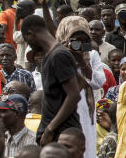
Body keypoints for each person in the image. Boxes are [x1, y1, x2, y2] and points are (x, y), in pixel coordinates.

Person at [21, 14, 82, 145]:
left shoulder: (58, 55)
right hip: (54, 133)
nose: (29, 45)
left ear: (30, 34)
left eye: (27, 40)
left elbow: (74, 95)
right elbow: (80, 82)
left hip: (62, 134)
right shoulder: (51, 54)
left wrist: (50, 129)